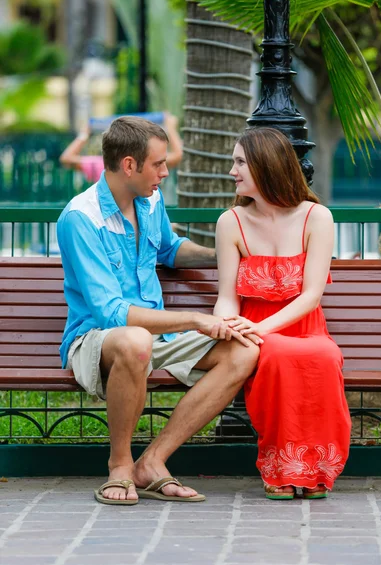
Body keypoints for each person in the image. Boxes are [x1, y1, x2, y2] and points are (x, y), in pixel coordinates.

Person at [57, 116, 261, 506]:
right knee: (134, 341)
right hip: (96, 340)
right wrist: (196, 319)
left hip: (157, 337)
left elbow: (168, 249)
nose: (166, 172)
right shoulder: (80, 218)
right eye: (158, 164)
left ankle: (153, 461)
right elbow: (111, 313)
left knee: (245, 350)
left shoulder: (149, 201)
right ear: (129, 165)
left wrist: (225, 256)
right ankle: (120, 466)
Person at [214, 127, 352, 500]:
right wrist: (227, 321)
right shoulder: (231, 223)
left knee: (323, 357)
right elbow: (227, 295)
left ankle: (314, 470)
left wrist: (259, 327)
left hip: (304, 327)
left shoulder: (316, 217)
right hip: (257, 335)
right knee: (273, 354)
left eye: (240, 162)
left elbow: (311, 296)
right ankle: (281, 467)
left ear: (266, 165)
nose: (233, 171)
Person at [59, 112, 183, 184]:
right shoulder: (145, 161)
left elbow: (66, 158)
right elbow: (178, 155)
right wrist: (170, 127)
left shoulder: (101, 165)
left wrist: (85, 133)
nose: (164, 172)